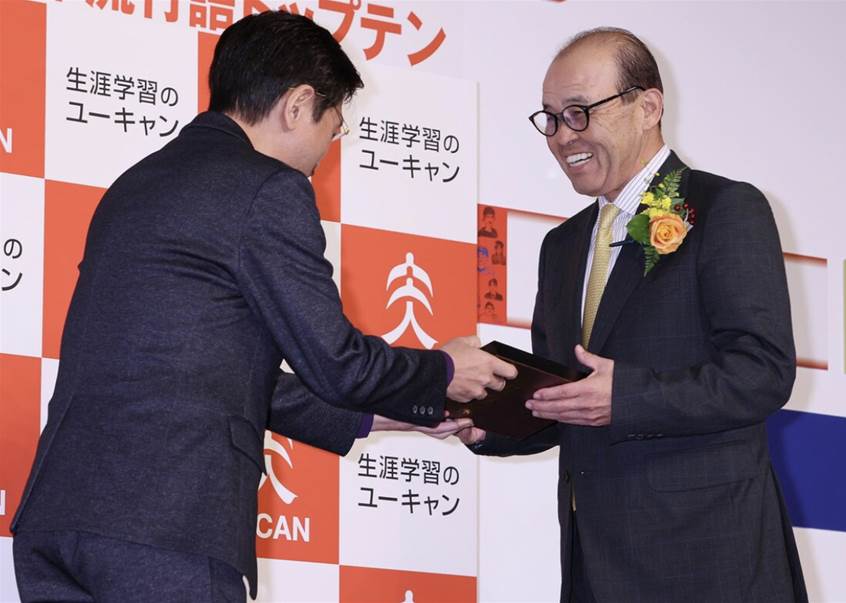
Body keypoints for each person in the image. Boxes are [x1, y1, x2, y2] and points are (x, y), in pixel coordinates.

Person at [12, 12, 515, 602]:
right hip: (169, 526)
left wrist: (388, 417)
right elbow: (337, 362)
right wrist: (445, 370)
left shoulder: (135, 185)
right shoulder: (267, 189)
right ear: (298, 105)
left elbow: (221, 373)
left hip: (58, 519)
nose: (328, 150)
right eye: (334, 126)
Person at [458, 27, 806, 602]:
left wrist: (626, 397)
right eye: (550, 118)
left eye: (579, 112)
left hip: (708, 563)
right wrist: (484, 421)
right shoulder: (562, 246)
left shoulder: (722, 208)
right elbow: (565, 398)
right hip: (595, 565)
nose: (562, 136)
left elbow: (762, 372)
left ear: (648, 107)